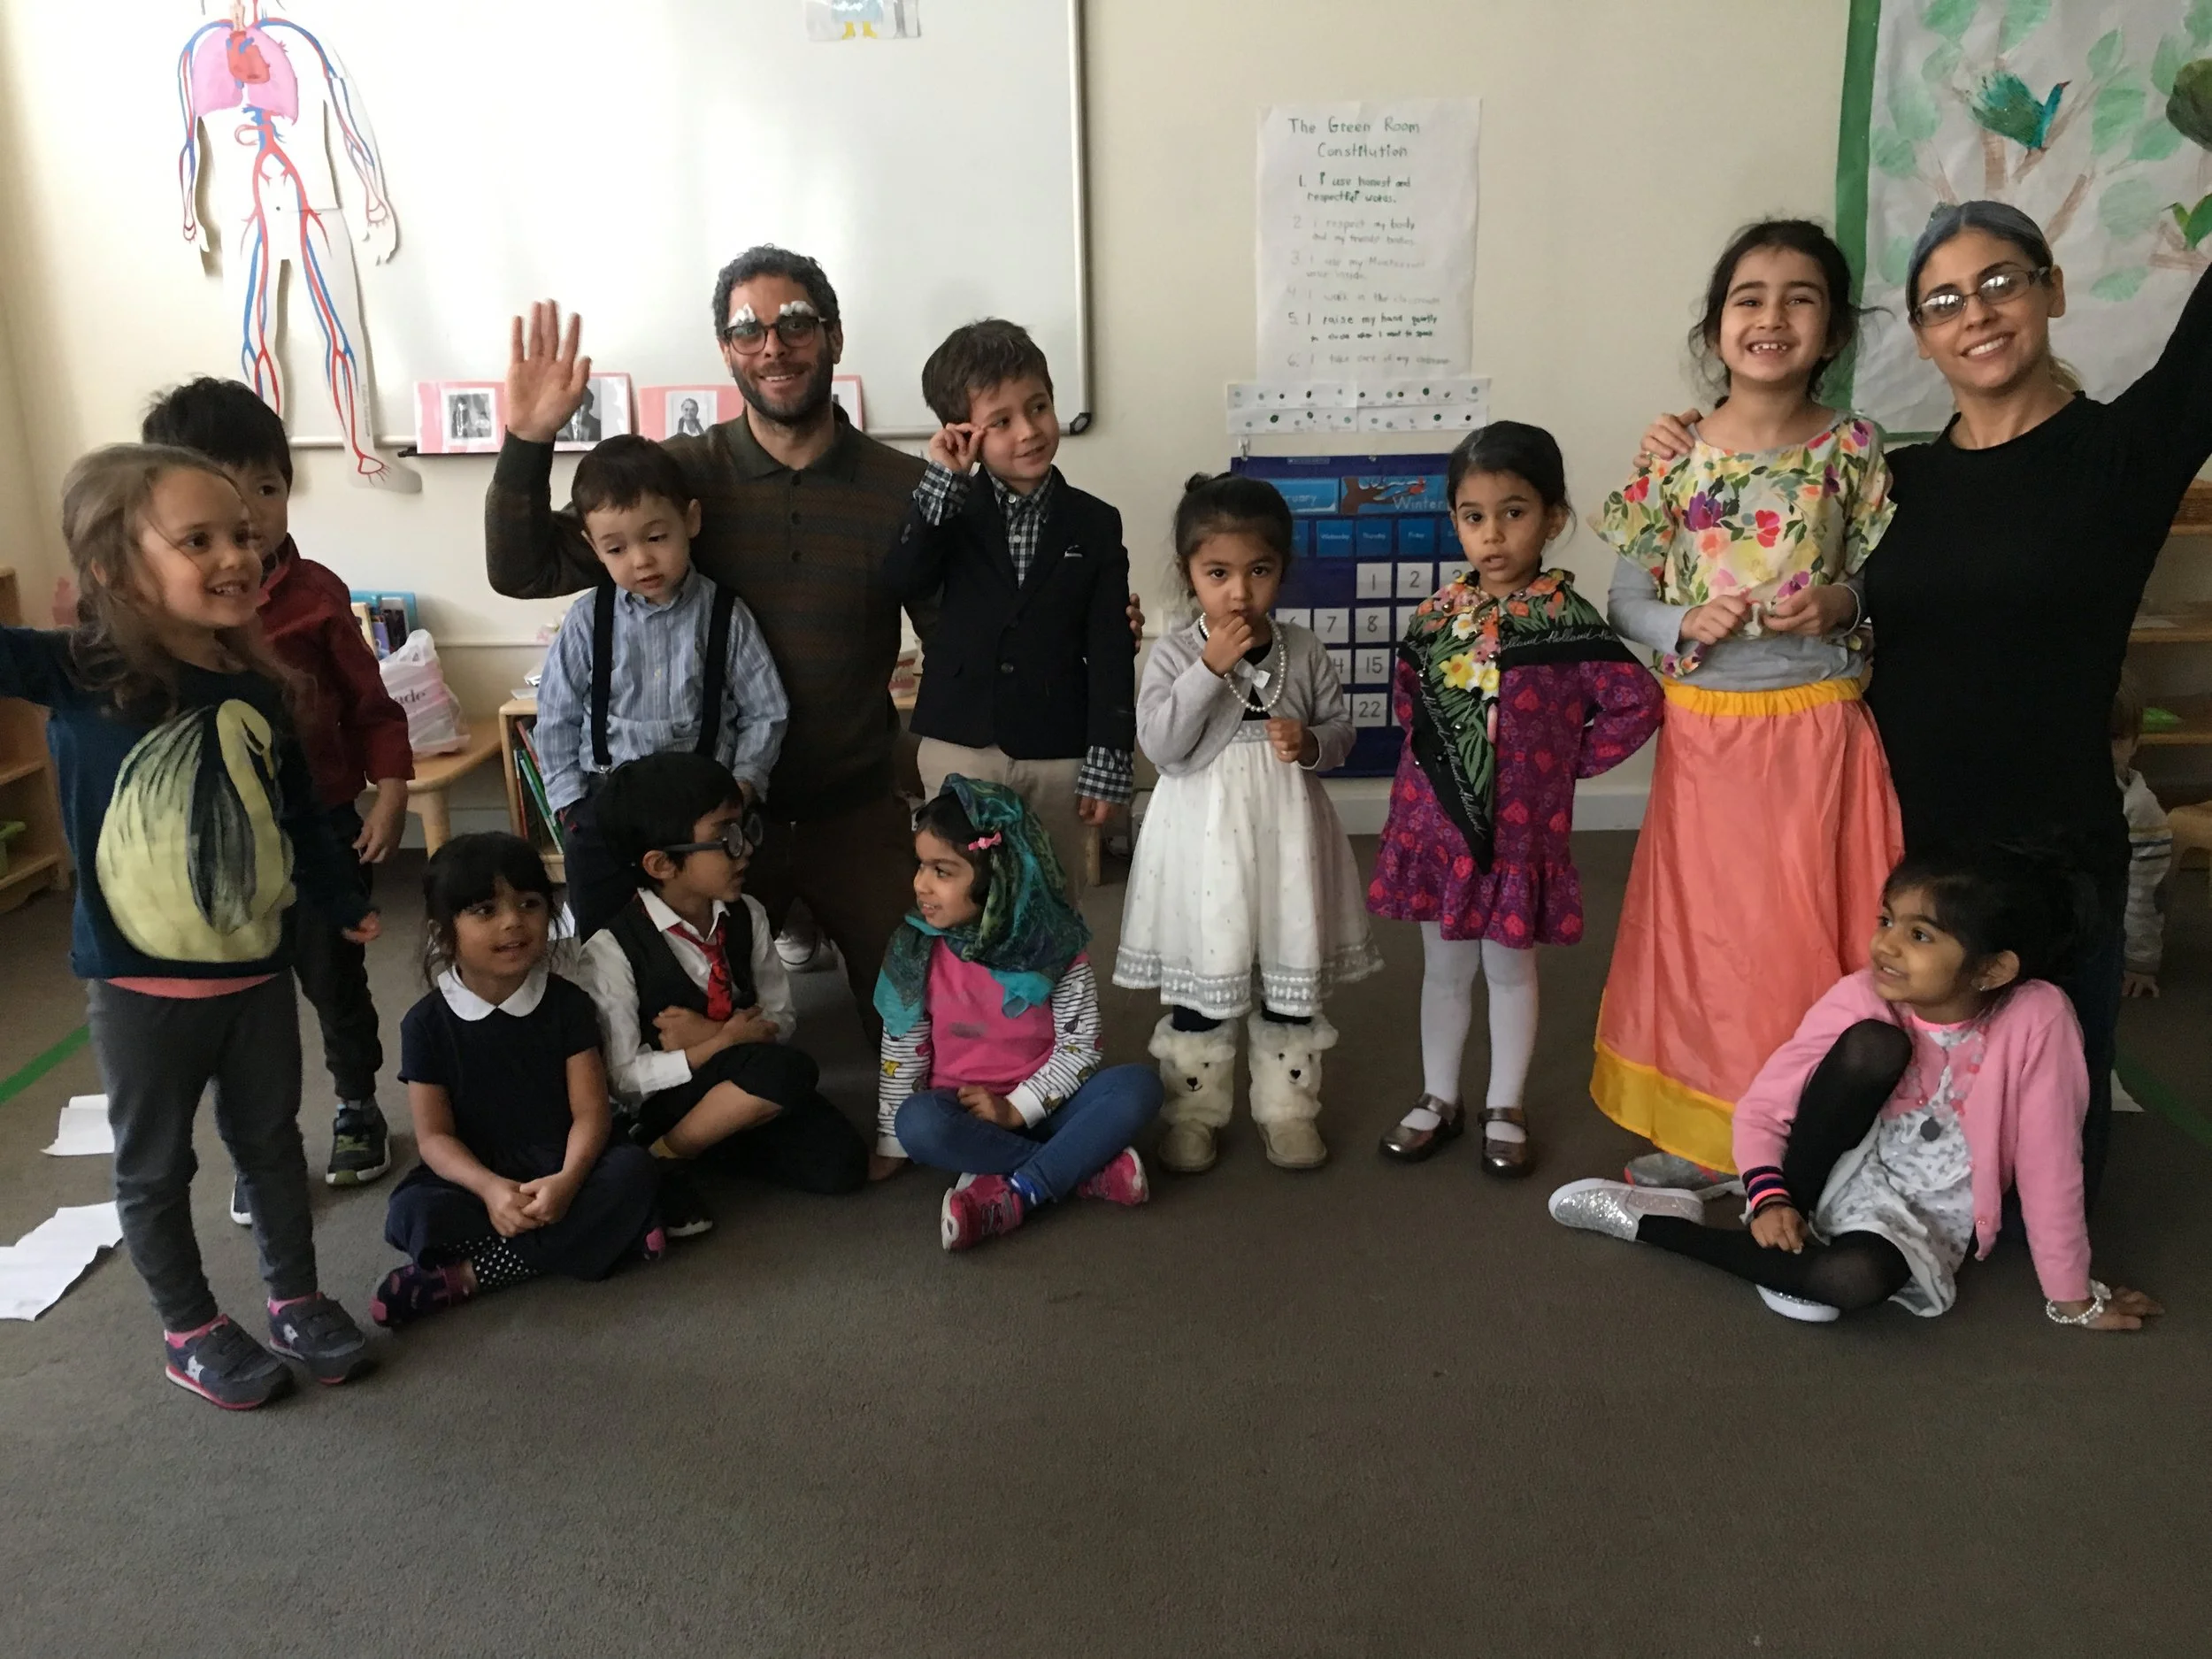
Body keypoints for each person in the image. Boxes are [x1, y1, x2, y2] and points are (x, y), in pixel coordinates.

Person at [1638, 202, 2212, 1203]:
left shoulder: (2121, 455)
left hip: (2047, 862)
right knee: (1876, 1120)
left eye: (2000, 283)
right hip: (1892, 839)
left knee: (2040, 1192)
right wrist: (1692, 441)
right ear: (1919, 334)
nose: (1975, 314)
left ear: (2051, 290)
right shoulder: (1890, 480)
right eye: (1943, 301)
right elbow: (1758, 506)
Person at [0, 445, 380, 1409]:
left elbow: (300, 817)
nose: (236, 556)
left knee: (271, 1145)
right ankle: (191, 1327)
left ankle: (295, 1297)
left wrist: (340, 900)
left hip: (255, 973)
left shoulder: (259, 686)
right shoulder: (82, 671)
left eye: (242, 535)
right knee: (156, 1165)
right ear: (115, 569)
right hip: (141, 990)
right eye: (197, 540)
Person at [489, 249, 929, 1020]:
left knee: (914, 1018)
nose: (773, 346)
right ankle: (780, 935)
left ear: (833, 335)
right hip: (705, 826)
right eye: (748, 330)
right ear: (726, 350)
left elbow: (963, 622)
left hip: (851, 810)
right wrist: (527, 442)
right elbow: (522, 569)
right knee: (676, 1015)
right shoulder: (679, 476)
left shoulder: (901, 487)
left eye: (796, 323)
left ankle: (806, 927)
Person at [1592, 219, 1902, 1194]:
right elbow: (1624, 603)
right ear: (1717, 325)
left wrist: (1839, 603)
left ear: (1834, 330)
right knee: (1714, 945)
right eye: (1749, 298)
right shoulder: (1671, 456)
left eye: (1800, 298)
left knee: (1813, 936)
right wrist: (1687, 618)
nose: (1772, 317)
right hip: (1709, 740)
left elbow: (1883, 587)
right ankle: (1712, 1133)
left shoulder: (1855, 447)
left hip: (1817, 732)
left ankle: (1820, 1130)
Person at [1549, 846, 2163, 1333]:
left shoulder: (2038, 1017)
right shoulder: (1864, 994)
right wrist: (1770, 1197)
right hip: (1833, 1169)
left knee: (1850, 1282)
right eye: (1887, 920)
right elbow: (1765, 1106)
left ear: (1992, 968)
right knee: (1874, 1044)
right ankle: (1779, 1229)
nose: (1887, 945)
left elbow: (2051, 1161)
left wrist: (2071, 1295)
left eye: (1920, 935)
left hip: (1922, 1216)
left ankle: (1655, 1224)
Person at [141, 376, 411, 1202]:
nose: (252, 516)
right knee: (239, 999)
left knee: (335, 979)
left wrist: (391, 790)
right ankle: (259, 1144)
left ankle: (358, 1103)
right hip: (219, 844)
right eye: (222, 499)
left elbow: (372, 704)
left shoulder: (316, 594)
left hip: (320, 826)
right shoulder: (161, 615)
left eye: (267, 489)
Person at [1368, 423, 1662, 1178]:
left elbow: (1638, 702)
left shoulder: (1570, 621)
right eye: (1474, 516)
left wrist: (1563, 766)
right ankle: (1438, 1095)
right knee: (1442, 969)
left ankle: (1505, 1102)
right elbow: (1410, 702)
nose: (1492, 534)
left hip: (1520, 838)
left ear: (1553, 517)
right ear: (1455, 520)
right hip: (1437, 828)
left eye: (1514, 512)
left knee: (1508, 969)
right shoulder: (1434, 618)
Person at [1118, 473, 1381, 1174]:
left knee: (1288, 970)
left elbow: (1342, 730)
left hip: (1286, 840)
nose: (1239, 591)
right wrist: (1208, 668)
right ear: (1189, 574)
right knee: (1204, 976)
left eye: (1258, 571)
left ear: (1281, 570)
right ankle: (1194, 1111)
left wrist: (1314, 741)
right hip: (1201, 846)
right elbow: (1162, 745)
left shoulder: (1304, 648)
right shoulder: (1175, 653)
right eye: (1218, 573)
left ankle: (1288, 1108)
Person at [883, 319, 1137, 899]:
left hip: (1058, 747)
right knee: (965, 901)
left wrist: (1110, 754)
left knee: (1050, 899)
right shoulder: (946, 508)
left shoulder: (1095, 522)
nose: (1029, 431)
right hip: (961, 742)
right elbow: (901, 578)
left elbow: (1109, 646)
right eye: (1001, 421)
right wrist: (945, 482)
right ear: (963, 432)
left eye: (1039, 407)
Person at [371, 834, 662, 1329]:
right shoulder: (425, 1024)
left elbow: (591, 1114)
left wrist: (566, 1183)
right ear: (444, 932)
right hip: (478, 1173)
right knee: (412, 1213)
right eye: (485, 911)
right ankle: (602, 1237)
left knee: (633, 1172)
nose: (512, 922)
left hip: (566, 1160)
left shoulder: (568, 1004)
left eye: (529, 904)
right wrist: (491, 1190)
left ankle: (472, 1275)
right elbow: (434, 1138)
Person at [574, 753, 869, 1240]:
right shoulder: (611, 950)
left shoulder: (747, 914)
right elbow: (622, 1079)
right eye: (726, 837)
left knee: (844, 1166)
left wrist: (713, 1035)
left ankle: (681, 1151)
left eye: (745, 829)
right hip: (670, 1098)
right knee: (789, 1071)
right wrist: (718, 1045)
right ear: (661, 864)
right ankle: (668, 1148)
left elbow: (781, 1016)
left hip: (746, 1071)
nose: (746, 849)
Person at [873, 778, 1160, 1249]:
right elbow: (902, 1047)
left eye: (942, 871)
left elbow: (1079, 1050)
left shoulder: (1055, 945)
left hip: (1052, 1103)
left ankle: (1019, 1190)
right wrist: (891, 1141)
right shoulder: (915, 948)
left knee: (1138, 1086)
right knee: (918, 1124)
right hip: (963, 1113)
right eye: (921, 866)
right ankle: (1080, 1169)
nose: (920, 884)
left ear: (996, 875)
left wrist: (1015, 1109)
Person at [533, 434, 788, 940]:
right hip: (604, 806)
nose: (641, 561)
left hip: (700, 817)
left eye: (656, 538)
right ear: (593, 547)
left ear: (690, 521)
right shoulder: (588, 620)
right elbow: (557, 716)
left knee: (709, 930)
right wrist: (569, 805)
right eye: (616, 548)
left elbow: (766, 711)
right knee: (605, 938)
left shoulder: (725, 616)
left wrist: (742, 785)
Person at [2111, 680, 2172, 999]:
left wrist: (2140, 962)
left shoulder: (2138, 808)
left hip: (2108, 929)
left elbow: (2145, 893)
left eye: (2115, 739)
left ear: (2135, 743)